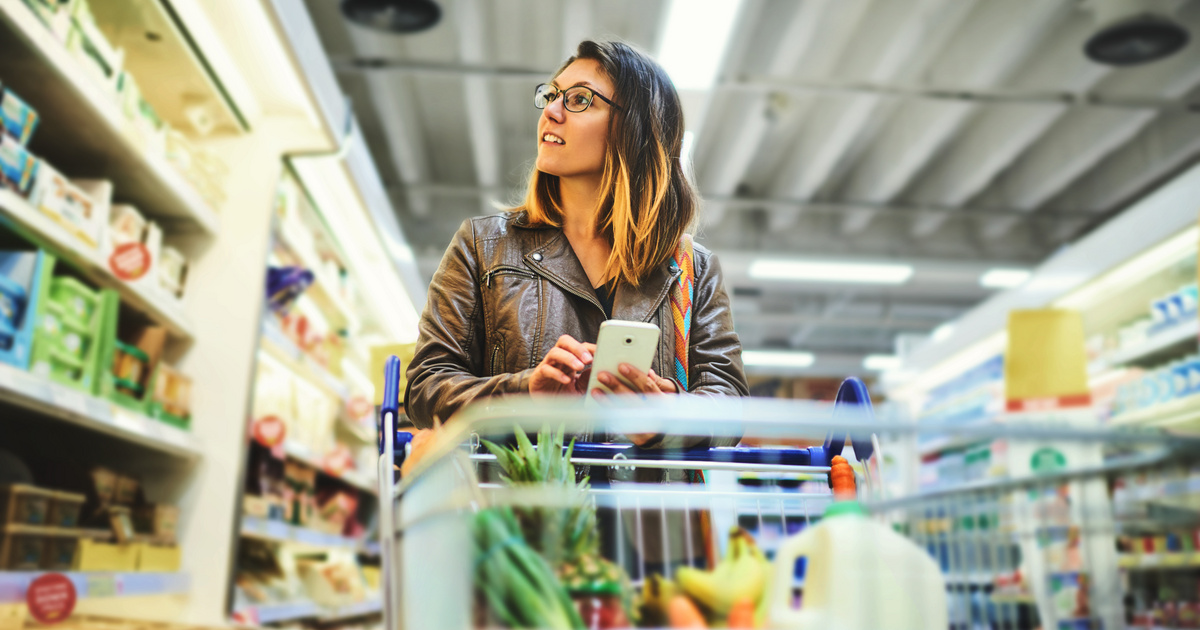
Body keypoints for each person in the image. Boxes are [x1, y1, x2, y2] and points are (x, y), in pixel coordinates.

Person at [403, 39, 748, 446]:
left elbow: (730, 407)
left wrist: (667, 412)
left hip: (645, 507)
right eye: (551, 95)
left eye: (580, 99)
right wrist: (524, 393)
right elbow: (425, 388)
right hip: (523, 507)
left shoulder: (693, 268)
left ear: (635, 128)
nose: (551, 111)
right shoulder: (483, 245)